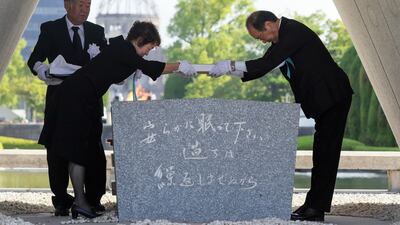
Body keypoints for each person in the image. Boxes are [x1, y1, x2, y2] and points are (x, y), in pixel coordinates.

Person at [43, 20, 197, 219]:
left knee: (80, 149)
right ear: (140, 40)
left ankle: (81, 201)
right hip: (76, 99)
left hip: (77, 97)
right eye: (149, 47)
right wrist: (180, 66)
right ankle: (80, 202)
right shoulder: (125, 50)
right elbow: (150, 66)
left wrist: (135, 68)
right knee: (76, 151)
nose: (149, 52)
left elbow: (118, 70)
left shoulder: (120, 49)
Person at [209, 10, 353, 222]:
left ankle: (316, 209)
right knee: (322, 153)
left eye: (260, 37)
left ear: (268, 25)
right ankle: (313, 205)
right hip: (324, 99)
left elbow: (265, 64)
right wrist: (228, 70)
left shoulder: (293, 32)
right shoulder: (280, 42)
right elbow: (259, 68)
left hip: (333, 95)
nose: (261, 41)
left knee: (326, 154)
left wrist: (230, 65)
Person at [27, 0, 107, 216]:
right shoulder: (50, 29)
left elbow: (108, 62)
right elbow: (34, 59)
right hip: (59, 100)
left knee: (93, 149)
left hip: (89, 101)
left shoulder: (97, 31)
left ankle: (94, 199)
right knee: (56, 151)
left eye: (88, 5)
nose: (85, 9)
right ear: (67, 5)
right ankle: (62, 200)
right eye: (81, 4)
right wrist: (43, 71)